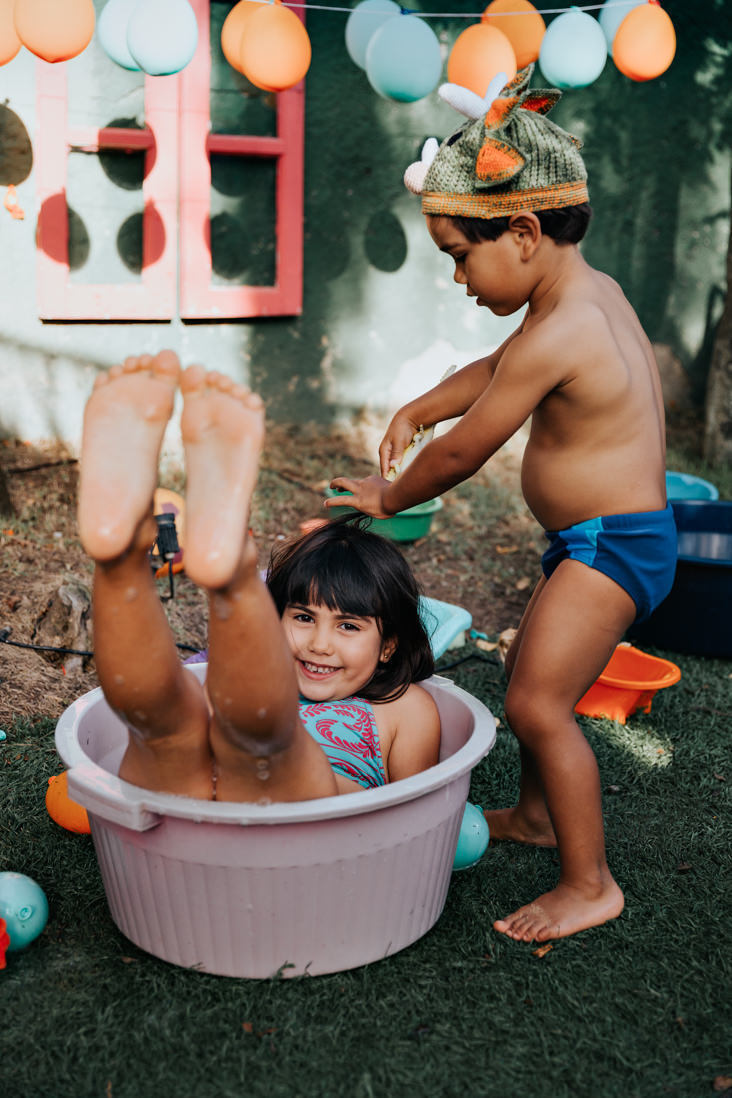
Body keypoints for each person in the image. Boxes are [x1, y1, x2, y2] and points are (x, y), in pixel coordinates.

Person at [325, 68, 677, 943]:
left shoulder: (562, 329)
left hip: (614, 549)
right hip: (604, 541)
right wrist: (418, 404)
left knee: (535, 704)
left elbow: (466, 448)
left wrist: (387, 493)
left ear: (522, 231)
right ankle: (539, 812)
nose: (457, 276)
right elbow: (488, 374)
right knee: (535, 683)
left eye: (458, 254)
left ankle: (590, 883)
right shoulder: (584, 297)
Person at [77, 351, 441, 804]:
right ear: (275, 620)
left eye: (348, 626)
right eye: (303, 617)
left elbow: (411, 809)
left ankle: (169, 570)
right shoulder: (240, 683)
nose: (319, 644)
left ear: (389, 644)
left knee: (222, 738)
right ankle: (130, 559)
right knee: (167, 726)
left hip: (296, 821)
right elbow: (418, 825)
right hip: (209, 802)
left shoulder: (405, 708)